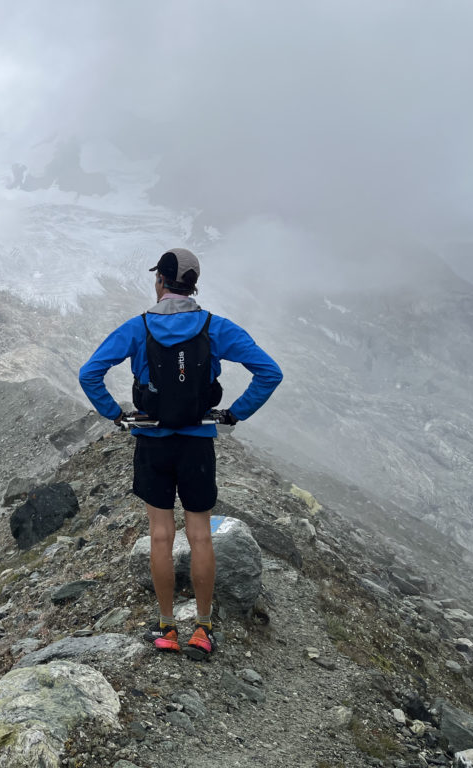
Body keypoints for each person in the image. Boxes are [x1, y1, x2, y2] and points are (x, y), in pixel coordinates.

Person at [78, 248, 282, 659]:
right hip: (197, 442)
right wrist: (233, 414)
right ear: (193, 285)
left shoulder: (137, 329)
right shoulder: (215, 327)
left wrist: (116, 414)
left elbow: (89, 373)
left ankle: (167, 627)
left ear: (160, 283)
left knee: (160, 535)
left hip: (153, 442)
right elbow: (269, 372)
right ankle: (203, 629)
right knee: (200, 535)